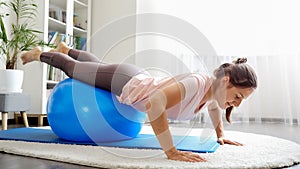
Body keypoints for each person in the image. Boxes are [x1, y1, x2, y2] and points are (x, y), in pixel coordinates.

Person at [21, 42, 257, 162]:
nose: (236, 104)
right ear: (226, 81)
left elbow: (215, 109)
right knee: (74, 70)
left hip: (137, 76)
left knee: (99, 66)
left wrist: (220, 134)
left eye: (241, 102)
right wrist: (171, 151)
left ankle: (67, 48)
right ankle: (38, 53)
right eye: (238, 97)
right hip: (126, 80)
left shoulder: (211, 95)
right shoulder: (197, 83)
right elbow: (155, 105)